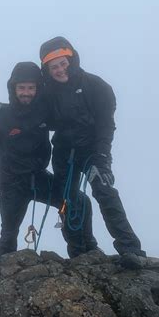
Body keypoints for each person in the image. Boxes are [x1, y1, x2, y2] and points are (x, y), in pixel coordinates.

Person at [0, 62, 97, 279]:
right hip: (12, 184)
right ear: (13, 88)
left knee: (77, 203)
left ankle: (84, 256)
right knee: (8, 235)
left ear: (37, 89)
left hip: (39, 178)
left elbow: (68, 116)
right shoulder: (0, 116)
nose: (26, 93)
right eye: (21, 88)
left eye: (31, 88)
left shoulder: (44, 111)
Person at [39, 36, 146, 269]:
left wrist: (102, 158)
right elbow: (26, 110)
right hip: (64, 155)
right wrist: (3, 110)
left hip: (92, 151)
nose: (59, 70)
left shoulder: (96, 86)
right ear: (47, 70)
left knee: (104, 190)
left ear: (71, 59)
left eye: (62, 63)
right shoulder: (46, 94)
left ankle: (131, 249)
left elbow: (106, 125)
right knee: (68, 199)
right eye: (53, 66)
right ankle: (79, 253)